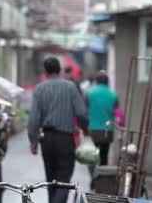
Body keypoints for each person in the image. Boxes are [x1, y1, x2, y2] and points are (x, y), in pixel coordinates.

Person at [28, 57, 89, 203]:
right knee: (64, 179)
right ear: (59, 70)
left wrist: (33, 140)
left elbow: (33, 119)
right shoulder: (70, 87)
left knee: (51, 179)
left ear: (45, 71)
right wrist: (85, 129)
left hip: (47, 140)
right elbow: (81, 112)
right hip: (65, 139)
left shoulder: (39, 89)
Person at [86, 71, 118, 166]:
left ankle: (93, 176)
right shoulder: (113, 95)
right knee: (104, 155)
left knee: (92, 155)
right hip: (107, 130)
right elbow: (116, 112)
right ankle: (102, 176)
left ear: (96, 81)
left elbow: (85, 109)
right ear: (107, 82)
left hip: (93, 129)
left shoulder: (90, 94)